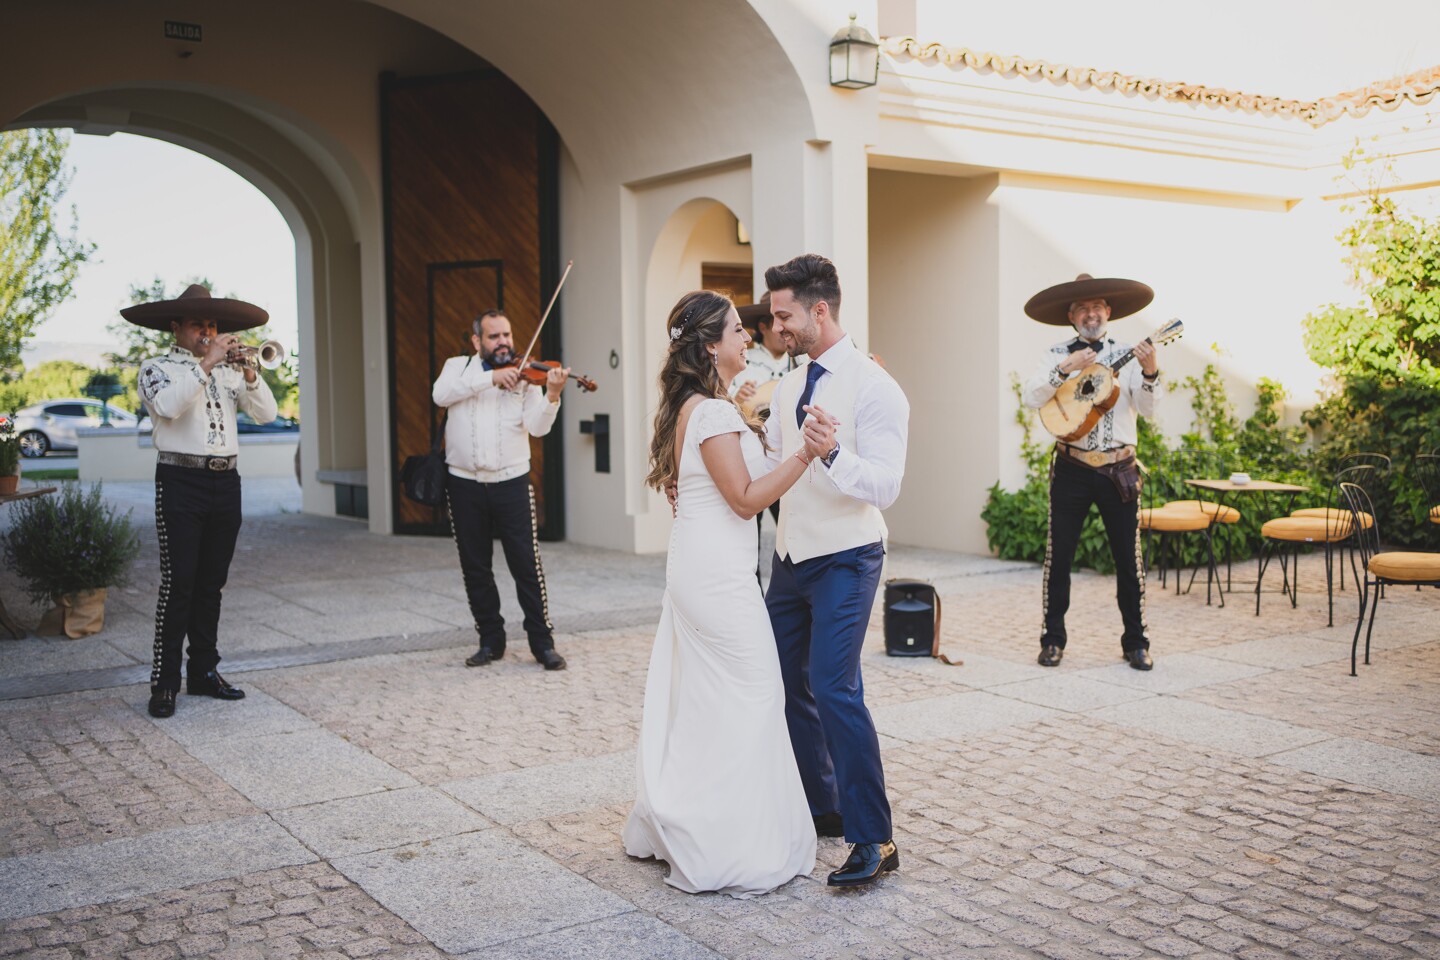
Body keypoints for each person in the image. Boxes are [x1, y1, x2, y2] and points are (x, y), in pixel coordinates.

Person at [623, 290, 824, 898]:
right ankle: (729, 840)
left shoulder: (703, 408)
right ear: (711, 345)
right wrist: (807, 457)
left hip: (702, 568)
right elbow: (743, 499)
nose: (749, 338)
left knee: (711, 698)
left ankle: (695, 815)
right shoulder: (709, 414)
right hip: (717, 578)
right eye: (739, 330)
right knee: (756, 693)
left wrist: (755, 420)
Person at [762, 253, 910, 888]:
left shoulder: (877, 387)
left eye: (784, 316)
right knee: (780, 678)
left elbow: (885, 485)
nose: (776, 328)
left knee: (833, 685)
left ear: (819, 311)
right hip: (790, 558)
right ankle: (822, 804)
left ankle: (875, 838)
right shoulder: (790, 386)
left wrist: (832, 454)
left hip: (848, 557)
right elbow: (766, 456)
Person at [125, 284, 279, 719]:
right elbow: (170, 408)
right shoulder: (156, 368)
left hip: (225, 481)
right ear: (176, 328)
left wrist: (250, 373)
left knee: (211, 585)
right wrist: (207, 364)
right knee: (179, 585)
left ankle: (204, 673)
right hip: (180, 480)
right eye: (198, 325)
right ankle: (165, 682)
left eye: (212, 325)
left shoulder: (232, 370)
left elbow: (267, 415)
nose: (208, 332)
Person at [1021, 273, 1159, 671]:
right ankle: (1052, 640)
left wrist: (1149, 374)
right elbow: (1032, 396)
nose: (1091, 313)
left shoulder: (1128, 354)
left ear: (1108, 311)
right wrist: (1065, 368)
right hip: (1071, 468)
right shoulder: (1055, 353)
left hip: (1119, 470)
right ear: (1071, 315)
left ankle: (1136, 642)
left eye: (1097, 306)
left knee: (1128, 561)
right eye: (1082, 308)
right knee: (1059, 556)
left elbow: (1147, 410)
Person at [432, 310, 570, 671]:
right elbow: (440, 395)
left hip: (511, 482)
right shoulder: (457, 368)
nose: (504, 342)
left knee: (526, 565)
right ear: (478, 341)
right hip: (463, 483)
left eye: (507, 334)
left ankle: (542, 643)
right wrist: (490, 378)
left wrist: (552, 396)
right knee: (475, 566)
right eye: (494, 337)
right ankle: (491, 641)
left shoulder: (527, 377)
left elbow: (538, 428)